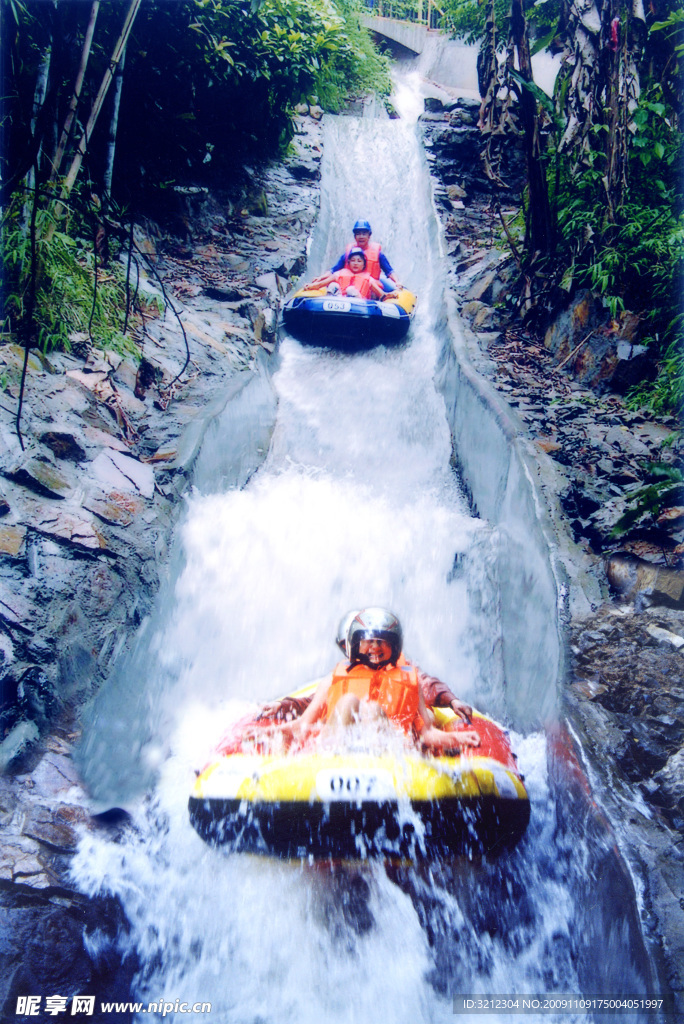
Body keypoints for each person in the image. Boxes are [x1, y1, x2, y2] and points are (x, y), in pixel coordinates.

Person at [260, 608, 479, 754]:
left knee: (373, 709)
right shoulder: (335, 678)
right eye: (368, 642)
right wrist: (269, 732)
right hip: (337, 749)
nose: (374, 648)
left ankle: (376, 766)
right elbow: (303, 723)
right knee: (347, 702)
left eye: (381, 642)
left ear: (394, 646)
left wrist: (458, 739)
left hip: (386, 749)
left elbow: (427, 732)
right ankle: (331, 761)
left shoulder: (408, 677)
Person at [315, 220, 402, 293]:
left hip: (370, 289)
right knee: (333, 286)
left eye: (364, 234)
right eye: (358, 234)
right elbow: (333, 270)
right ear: (355, 236)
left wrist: (397, 282)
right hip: (348, 286)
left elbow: (390, 272)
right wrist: (320, 278)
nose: (361, 237)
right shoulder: (348, 254)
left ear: (369, 235)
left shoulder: (378, 254)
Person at [308, 247, 389, 300]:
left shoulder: (368, 279)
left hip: (359, 303)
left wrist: (388, 295)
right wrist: (311, 286)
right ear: (349, 263)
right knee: (333, 285)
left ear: (364, 264)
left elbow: (381, 294)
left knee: (350, 290)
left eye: (359, 261)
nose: (355, 263)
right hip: (340, 300)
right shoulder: (339, 274)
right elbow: (320, 284)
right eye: (353, 260)